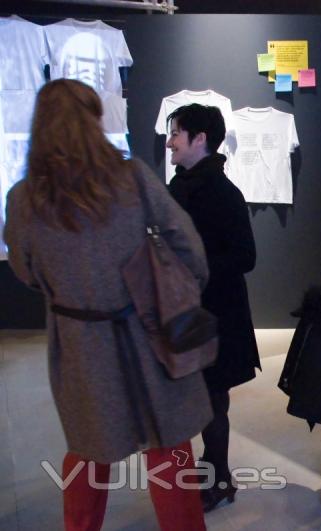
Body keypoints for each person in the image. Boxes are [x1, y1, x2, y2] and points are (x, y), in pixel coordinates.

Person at [3, 79, 211, 531]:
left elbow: (25, 270)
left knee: (88, 450)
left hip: (79, 342)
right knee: (168, 449)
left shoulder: (23, 199)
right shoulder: (132, 177)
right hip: (149, 330)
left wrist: (68, 292)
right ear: (94, 121)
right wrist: (185, 289)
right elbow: (186, 242)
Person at [165, 103, 261, 512]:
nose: (169, 142)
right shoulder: (178, 187)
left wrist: (193, 269)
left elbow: (246, 257)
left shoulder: (223, 193)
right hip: (188, 312)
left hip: (215, 314)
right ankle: (211, 472)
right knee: (199, 398)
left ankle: (219, 478)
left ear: (199, 139)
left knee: (212, 399)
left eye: (176, 133)